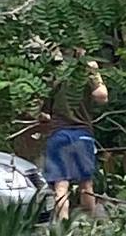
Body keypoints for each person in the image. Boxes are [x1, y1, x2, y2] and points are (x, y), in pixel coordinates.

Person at [39, 48, 109, 220]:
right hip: (82, 134)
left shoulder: (54, 71)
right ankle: (90, 229)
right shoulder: (87, 67)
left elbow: (43, 112)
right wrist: (94, 74)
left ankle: (62, 231)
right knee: (86, 184)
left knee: (60, 186)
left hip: (58, 134)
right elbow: (102, 96)